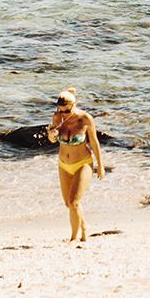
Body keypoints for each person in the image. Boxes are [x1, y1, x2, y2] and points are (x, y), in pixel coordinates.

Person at [45, 88, 104, 242]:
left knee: (74, 202)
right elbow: (52, 139)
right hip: (64, 164)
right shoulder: (57, 118)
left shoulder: (85, 119)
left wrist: (101, 165)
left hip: (83, 163)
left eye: (66, 110)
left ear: (74, 104)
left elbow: (95, 142)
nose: (63, 113)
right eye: (60, 110)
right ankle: (84, 227)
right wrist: (51, 135)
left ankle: (74, 238)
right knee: (68, 204)